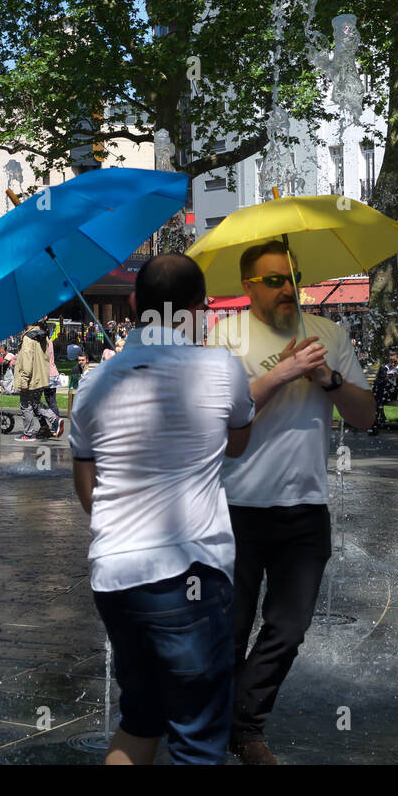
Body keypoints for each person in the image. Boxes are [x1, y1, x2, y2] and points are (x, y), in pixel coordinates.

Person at [69, 255, 253, 765]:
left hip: (115, 576)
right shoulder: (222, 368)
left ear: (133, 304)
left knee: (140, 721)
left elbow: (88, 485)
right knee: (198, 743)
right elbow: (238, 443)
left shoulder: (93, 384)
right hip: (188, 574)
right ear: (199, 311)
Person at [208, 240, 374, 764]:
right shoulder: (223, 338)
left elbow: (366, 417)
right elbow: (215, 420)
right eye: (274, 279)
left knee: (289, 628)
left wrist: (327, 379)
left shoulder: (329, 336)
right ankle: (228, 733)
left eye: (292, 278)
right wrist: (280, 373)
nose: (287, 288)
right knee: (230, 632)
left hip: (305, 507)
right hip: (234, 505)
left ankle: (245, 727)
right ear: (248, 286)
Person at [14, 321, 63, 440]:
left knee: (26, 405)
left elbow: (27, 360)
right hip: (40, 377)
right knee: (35, 403)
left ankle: (28, 434)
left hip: (30, 378)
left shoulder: (27, 338)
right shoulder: (43, 337)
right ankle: (55, 419)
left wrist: (24, 380)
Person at [369, 349, 398, 436]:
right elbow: (376, 382)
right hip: (382, 393)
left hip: (392, 392)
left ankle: (373, 426)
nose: (392, 363)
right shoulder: (384, 368)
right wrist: (386, 379)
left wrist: (397, 378)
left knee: (377, 393)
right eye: (391, 361)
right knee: (379, 388)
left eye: (394, 361)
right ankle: (380, 409)